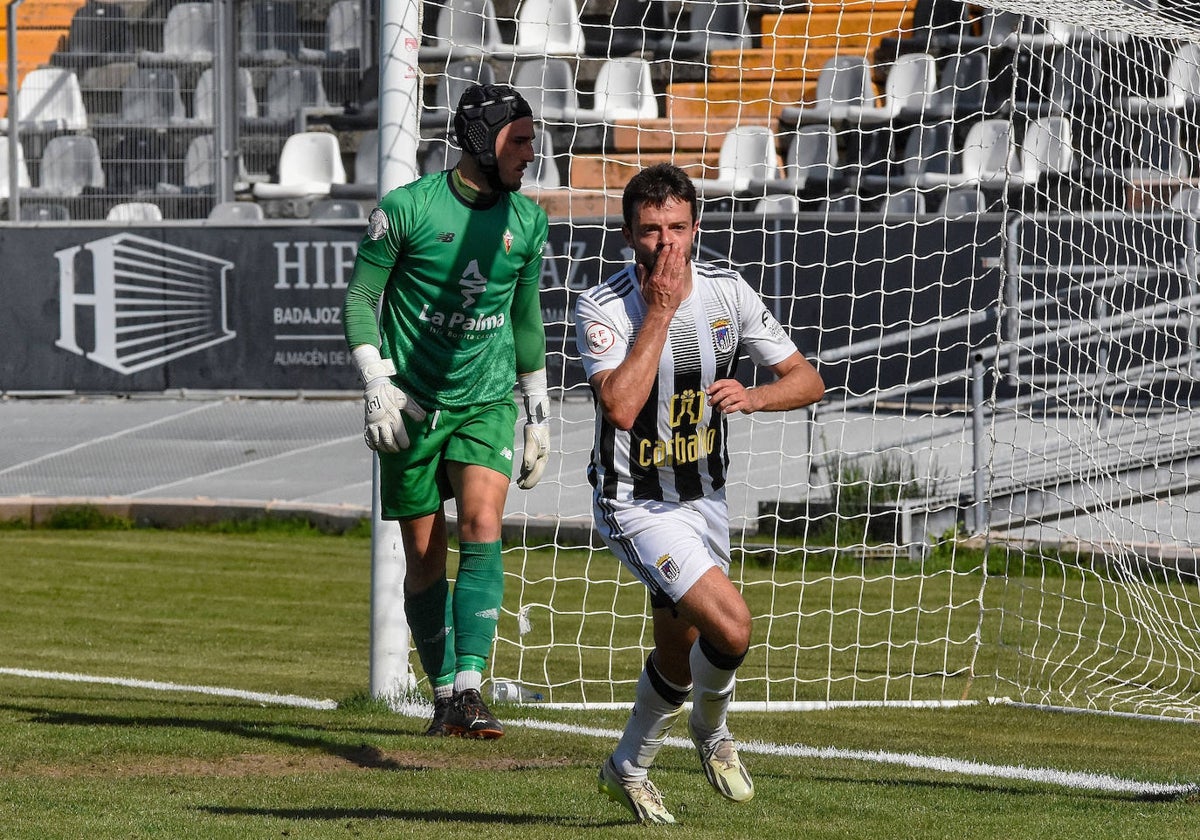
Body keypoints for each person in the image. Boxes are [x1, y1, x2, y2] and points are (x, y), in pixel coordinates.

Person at [574, 163, 825, 823]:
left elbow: (808, 379)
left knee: (678, 655)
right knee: (733, 628)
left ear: (696, 228)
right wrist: (657, 311)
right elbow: (622, 408)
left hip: (705, 498)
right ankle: (711, 732)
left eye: (678, 229)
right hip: (634, 501)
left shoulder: (727, 292)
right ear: (629, 235)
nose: (667, 245)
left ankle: (626, 766)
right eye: (651, 231)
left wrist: (756, 394)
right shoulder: (603, 306)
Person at [342, 83, 551, 739]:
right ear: (482, 141)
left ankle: (470, 688)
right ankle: (443, 699)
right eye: (519, 140)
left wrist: (538, 412)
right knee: (426, 560)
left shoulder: (529, 221)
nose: (531, 152)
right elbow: (358, 301)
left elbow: (525, 319)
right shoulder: (405, 211)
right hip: (411, 407)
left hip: (485, 402)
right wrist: (377, 381)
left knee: (483, 523)